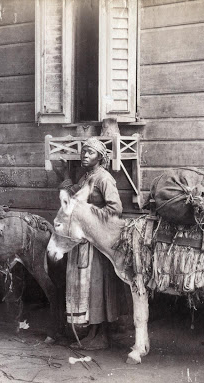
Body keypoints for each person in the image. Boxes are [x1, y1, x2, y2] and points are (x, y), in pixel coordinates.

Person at [55, 137, 126, 350]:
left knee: (98, 286)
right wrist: (65, 177)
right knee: (88, 286)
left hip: (98, 242)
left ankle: (101, 335)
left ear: (100, 157)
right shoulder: (86, 177)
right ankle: (93, 333)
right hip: (84, 240)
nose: (85, 155)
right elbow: (75, 198)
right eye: (83, 151)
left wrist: (88, 217)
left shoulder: (104, 178)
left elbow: (115, 209)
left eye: (90, 152)